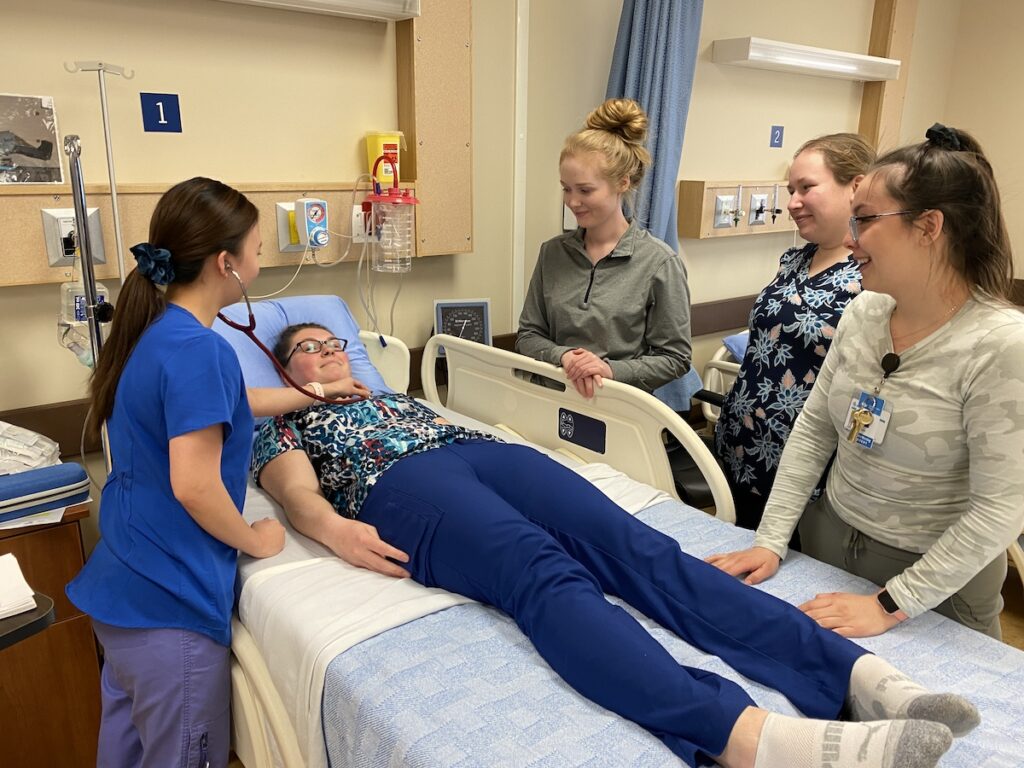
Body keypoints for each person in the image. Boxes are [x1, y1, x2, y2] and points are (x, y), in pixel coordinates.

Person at [252, 321, 979, 768]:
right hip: (399, 483)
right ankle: (748, 738)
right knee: (541, 573)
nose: (327, 354)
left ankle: (853, 677)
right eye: (307, 349)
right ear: (286, 371)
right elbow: (296, 497)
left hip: (476, 449)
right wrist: (335, 531)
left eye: (333, 343)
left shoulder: (393, 395)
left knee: (640, 547)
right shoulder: (280, 419)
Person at [708, 124, 1024, 641]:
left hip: (933, 585)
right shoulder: (864, 312)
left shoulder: (1001, 345)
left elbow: (999, 510)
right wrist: (770, 540)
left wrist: (889, 604)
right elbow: (814, 431)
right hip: (830, 543)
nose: (851, 239)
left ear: (928, 227)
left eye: (866, 220)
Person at [66, 178, 294, 768]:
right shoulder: (200, 350)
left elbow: (225, 402)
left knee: (126, 752)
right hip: (170, 614)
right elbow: (194, 485)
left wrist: (311, 393)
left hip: (122, 593)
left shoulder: (157, 334)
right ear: (228, 264)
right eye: (259, 249)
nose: (261, 259)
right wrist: (255, 538)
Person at [714, 133, 872, 531]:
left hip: (804, 469)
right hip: (740, 449)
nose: (793, 202)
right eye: (790, 190)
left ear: (855, 186)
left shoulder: (870, 274)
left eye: (807, 187)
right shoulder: (795, 260)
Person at [516, 98, 691, 401]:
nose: (572, 202)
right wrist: (565, 356)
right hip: (552, 402)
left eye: (585, 190)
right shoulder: (552, 254)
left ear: (622, 183)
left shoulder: (659, 263)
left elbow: (675, 358)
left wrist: (608, 370)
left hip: (619, 409)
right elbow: (528, 336)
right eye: (566, 189)